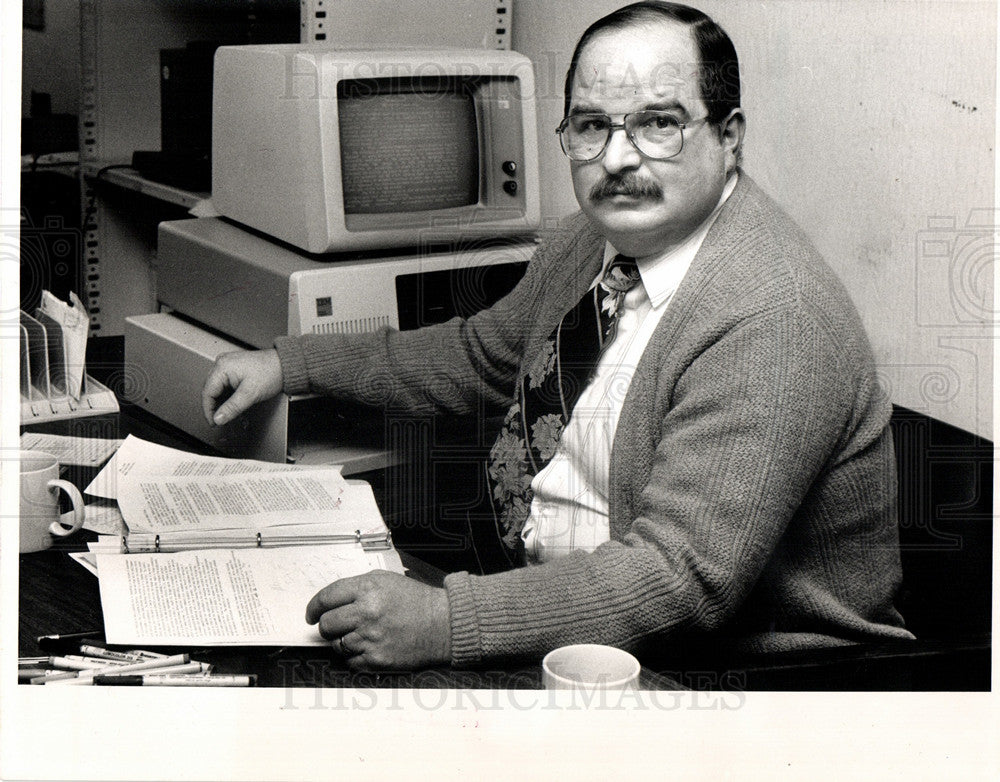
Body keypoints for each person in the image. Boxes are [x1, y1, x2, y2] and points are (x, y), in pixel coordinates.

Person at [202, 1, 913, 671]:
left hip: (746, 684)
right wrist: (290, 364)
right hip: (560, 624)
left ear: (729, 137)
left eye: (658, 124)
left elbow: (681, 579)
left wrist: (447, 620)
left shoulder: (770, 312)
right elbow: (478, 355)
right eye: (592, 126)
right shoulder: (588, 244)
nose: (618, 159)